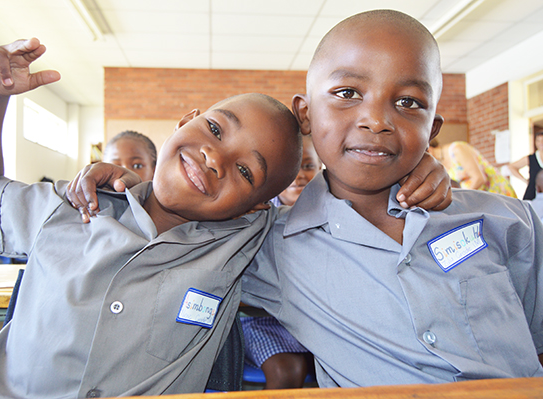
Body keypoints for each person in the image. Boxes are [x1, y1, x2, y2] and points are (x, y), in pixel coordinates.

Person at [82, 9, 543, 388]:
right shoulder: (267, 246)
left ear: (432, 130)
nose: (375, 120)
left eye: (407, 103)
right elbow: (174, 224)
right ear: (305, 114)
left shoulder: (502, 220)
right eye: (347, 93)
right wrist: (129, 188)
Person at [0, 38, 307, 398]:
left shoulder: (243, 245)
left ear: (254, 209)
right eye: (215, 129)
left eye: (246, 172)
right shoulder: (74, 203)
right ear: (185, 121)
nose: (215, 158)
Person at [240, 135, 319, 389]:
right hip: (264, 320)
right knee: (287, 372)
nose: (299, 176)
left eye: (307, 166)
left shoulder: (331, 210)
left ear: (321, 167)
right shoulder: (256, 214)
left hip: (315, 320)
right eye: (290, 170)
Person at [429, 140, 517, 197]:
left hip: (497, 192)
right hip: (482, 197)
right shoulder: (441, 163)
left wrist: (461, 198)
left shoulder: (456, 149)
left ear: (428, 149)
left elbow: (479, 178)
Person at [508, 130, 543, 200]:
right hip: (532, 196)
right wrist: (525, 180)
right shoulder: (531, 158)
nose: (541, 143)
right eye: (538, 140)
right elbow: (511, 167)